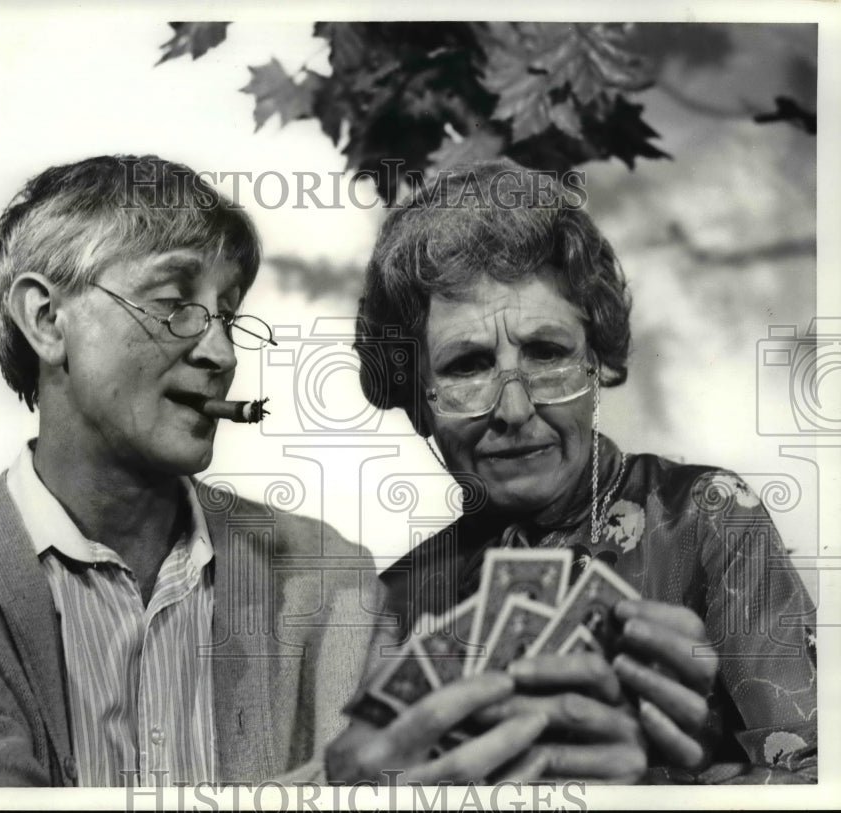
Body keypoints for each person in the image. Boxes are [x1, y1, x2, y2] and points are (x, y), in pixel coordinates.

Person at [0, 155, 381, 787]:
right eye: (173, 303)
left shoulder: (328, 582)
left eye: (229, 313)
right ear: (48, 321)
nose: (220, 352)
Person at [328, 160, 817, 784]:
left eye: (546, 353)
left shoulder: (705, 517)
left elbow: (819, 779)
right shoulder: (395, 603)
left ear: (595, 362)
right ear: (416, 399)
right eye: (468, 366)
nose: (514, 408)